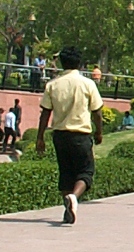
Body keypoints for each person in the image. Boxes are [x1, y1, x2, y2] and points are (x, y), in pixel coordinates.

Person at [35, 45, 104, 225]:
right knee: (86, 172)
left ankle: (68, 209)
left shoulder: (53, 84)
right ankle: (74, 197)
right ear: (79, 63)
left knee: (66, 174)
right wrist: (99, 132)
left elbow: (45, 113)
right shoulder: (87, 83)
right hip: (80, 134)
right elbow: (97, 111)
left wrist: (40, 137)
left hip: (60, 135)